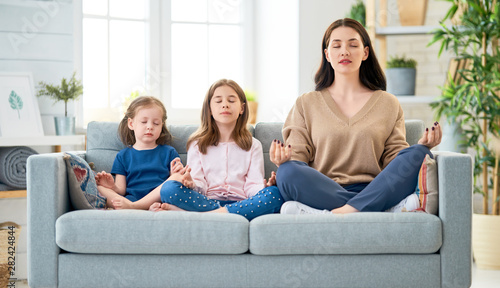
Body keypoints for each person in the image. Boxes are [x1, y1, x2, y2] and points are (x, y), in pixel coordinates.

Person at [271, 18, 442, 214]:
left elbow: (394, 161)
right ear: (327, 55)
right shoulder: (306, 103)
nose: (344, 51)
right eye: (337, 46)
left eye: (353, 45)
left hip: (375, 188)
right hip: (323, 190)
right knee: (287, 172)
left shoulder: (388, 103)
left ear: (365, 53)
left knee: (420, 154)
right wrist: (283, 160)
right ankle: (375, 209)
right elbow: (297, 158)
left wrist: (422, 146)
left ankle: (337, 212)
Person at [121, 79, 283, 221]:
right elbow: (200, 185)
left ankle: (208, 215)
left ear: (241, 108)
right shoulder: (197, 144)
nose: (225, 104)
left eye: (231, 100)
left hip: (242, 202)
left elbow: (252, 186)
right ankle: (223, 214)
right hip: (206, 201)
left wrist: (264, 188)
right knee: (168, 188)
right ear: (210, 109)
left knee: (275, 194)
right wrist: (190, 182)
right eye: (218, 101)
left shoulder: (253, 145)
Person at [95, 96, 182, 209]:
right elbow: (121, 190)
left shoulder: (169, 152)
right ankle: (133, 206)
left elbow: (173, 185)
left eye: (156, 123)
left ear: (161, 125)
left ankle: (135, 207)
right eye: (144, 122)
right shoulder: (123, 156)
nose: (150, 127)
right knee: (99, 188)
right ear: (131, 124)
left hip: (159, 199)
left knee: (175, 179)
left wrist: (175, 174)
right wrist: (112, 186)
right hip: (130, 199)